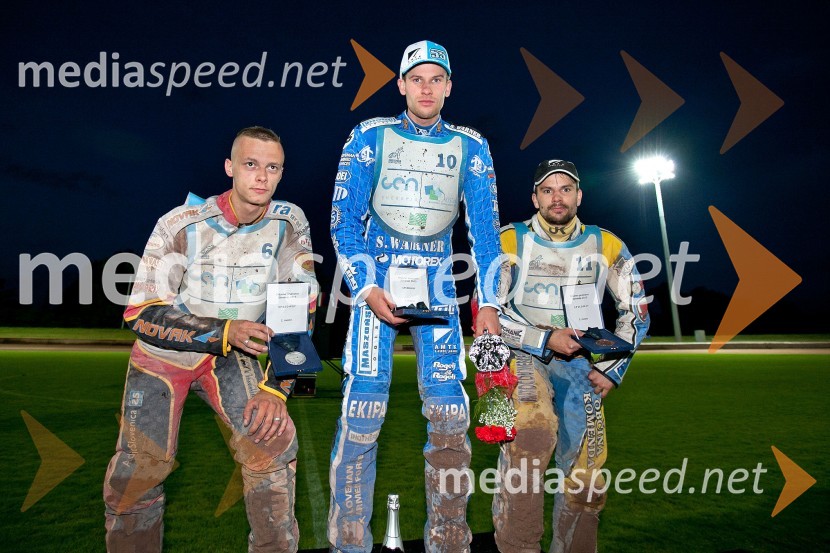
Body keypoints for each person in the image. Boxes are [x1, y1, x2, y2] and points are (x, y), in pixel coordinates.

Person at [103, 126, 318, 553]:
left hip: (230, 354)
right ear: (230, 168)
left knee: (273, 443)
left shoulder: (290, 222)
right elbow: (140, 312)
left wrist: (277, 388)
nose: (261, 176)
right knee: (139, 472)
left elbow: (301, 307)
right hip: (164, 355)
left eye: (272, 167)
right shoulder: (180, 224)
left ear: (281, 173)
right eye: (251, 164)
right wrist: (222, 330)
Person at [328, 40, 502, 553]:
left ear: (449, 87)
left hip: (440, 287)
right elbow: (343, 220)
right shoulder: (368, 135)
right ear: (400, 85)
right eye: (416, 79)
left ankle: (449, 540)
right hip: (377, 284)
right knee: (362, 410)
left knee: (450, 414)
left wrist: (488, 302)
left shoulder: (472, 145)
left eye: (436, 79)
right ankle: (350, 543)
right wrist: (366, 287)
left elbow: (486, 234)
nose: (426, 88)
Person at [492, 160, 650, 553]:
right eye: (547, 190)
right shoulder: (510, 239)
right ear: (535, 198)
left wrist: (613, 369)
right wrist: (544, 340)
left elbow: (637, 309)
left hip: (580, 362)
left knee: (588, 470)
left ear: (579, 195)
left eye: (565, 189)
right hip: (525, 356)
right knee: (531, 437)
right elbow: (489, 312)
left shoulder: (606, 243)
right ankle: (518, 546)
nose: (556, 197)